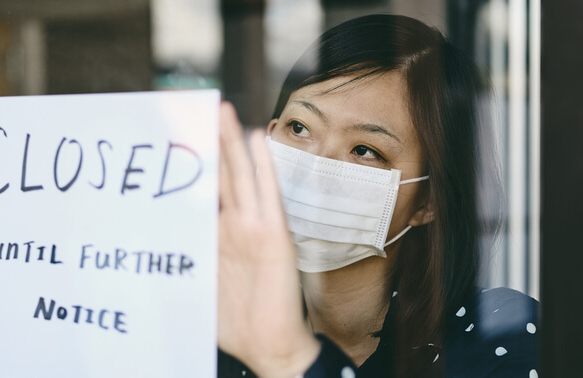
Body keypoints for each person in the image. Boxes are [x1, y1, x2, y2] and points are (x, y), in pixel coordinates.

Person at [216, 14, 539, 378]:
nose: (315, 167)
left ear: (427, 201)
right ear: (270, 135)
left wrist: (290, 362)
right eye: (299, 127)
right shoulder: (217, 325)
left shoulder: (500, 336)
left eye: (365, 150)